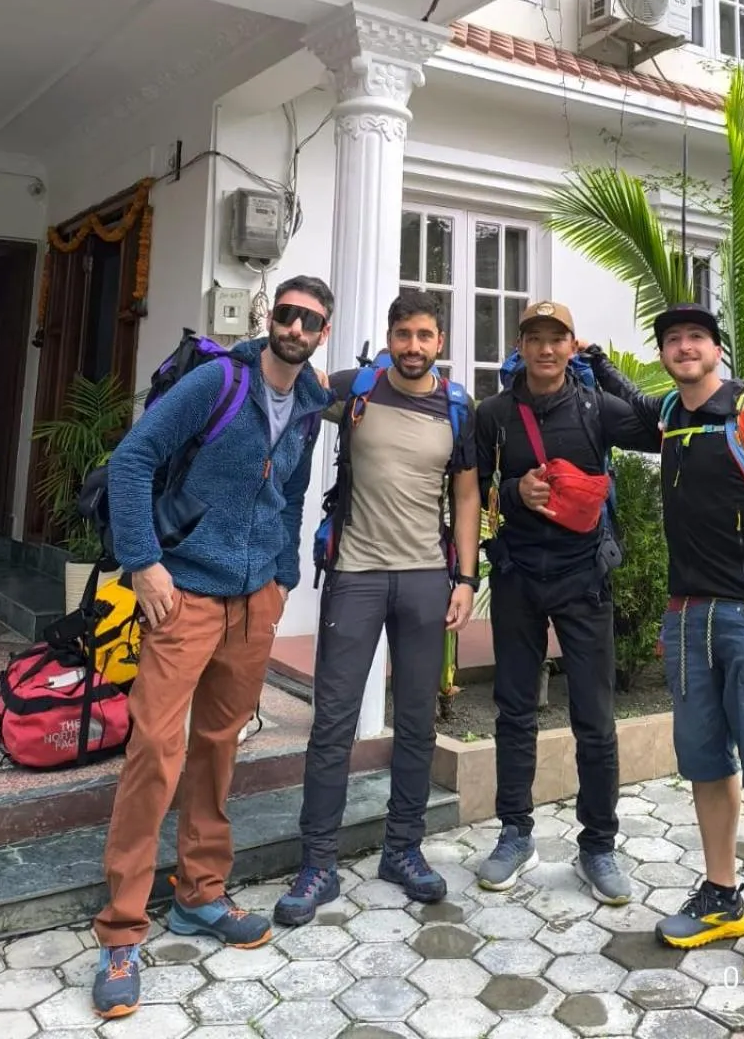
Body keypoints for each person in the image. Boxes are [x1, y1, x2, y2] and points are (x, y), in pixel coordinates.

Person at [90, 277, 334, 1020]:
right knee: (155, 751)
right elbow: (134, 461)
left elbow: (289, 494)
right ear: (270, 318)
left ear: (324, 331)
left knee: (219, 745)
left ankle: (200, 892)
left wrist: (284, 578)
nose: (296, 327)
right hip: (184, 591)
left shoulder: (314, 404)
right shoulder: (217, 381)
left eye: (311, 320)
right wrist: (144, 562)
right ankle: (123, 929)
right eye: (287, 314)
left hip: (255, 597)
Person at [583, 303, 744, 987]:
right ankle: (720, 896)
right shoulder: (674, 419)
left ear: (717, 350)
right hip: (687, 618)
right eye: (673, 340)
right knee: (705, 759)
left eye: (696, 340)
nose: (684, 348)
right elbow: (641, 403)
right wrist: (599, 367)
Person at [273, 289, 481, 926]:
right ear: (388, 338)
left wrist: (466, 579)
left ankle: (404, 851)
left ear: (439, 342)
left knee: (417, 722)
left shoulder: (457, 406)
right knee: (332, 721)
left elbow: (468, 494)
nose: (412, 347)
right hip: (356, 576)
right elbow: (290, 377)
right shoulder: (354, 390)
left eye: (424, 336)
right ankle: (318, 865)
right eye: (403, 335)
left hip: (425, 578)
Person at [473, 300, 657, 907]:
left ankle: (599, 845)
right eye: (535, 338)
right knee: (514, 711)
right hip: (519, 575)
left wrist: (607, 372)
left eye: (558, 339)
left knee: (596, 721)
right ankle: (514, 833)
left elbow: (660, 431)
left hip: (583, 578)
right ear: (520, 345)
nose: (546, 349)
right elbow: (474, 488)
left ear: (572, 345)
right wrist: (513, 490)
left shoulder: (596, 408)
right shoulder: (495, 414)